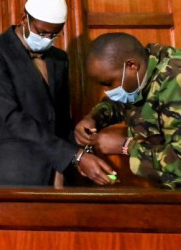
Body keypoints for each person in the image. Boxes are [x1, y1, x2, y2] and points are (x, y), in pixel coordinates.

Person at [0, 0, 115, 186]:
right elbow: (10, 117)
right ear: (25, 18)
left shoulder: (59, 59)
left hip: (56, 172)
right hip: (12, 173)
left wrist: (68, 162)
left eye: (54, 34)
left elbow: (61, 118)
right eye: (41, 33)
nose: (47, 39)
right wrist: (73, 156)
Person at [75, 33, 181, 189]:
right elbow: (122, 103)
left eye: (110, 83)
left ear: (132, 65)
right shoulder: (144, 69)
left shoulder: (176, 81)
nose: (109, 91)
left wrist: (125, 146)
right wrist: (94, 118)